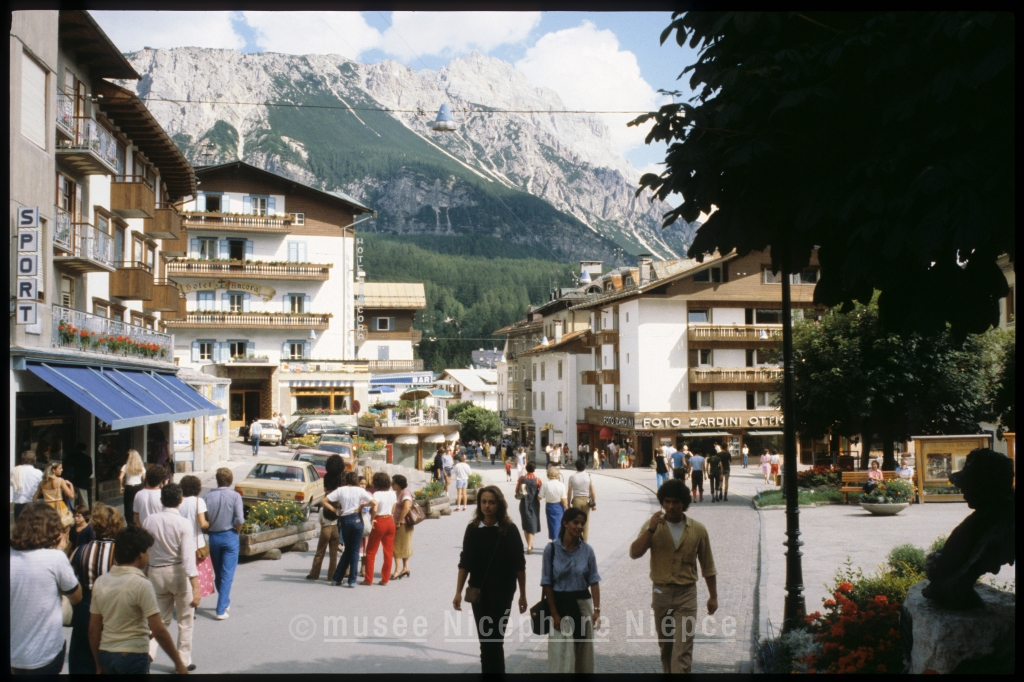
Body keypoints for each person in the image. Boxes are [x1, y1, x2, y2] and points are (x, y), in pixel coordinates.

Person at [629, 479, 718, 674]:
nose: (670, 506)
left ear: (683, 503)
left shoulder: (698, 530)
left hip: (686, 596)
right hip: (661, 594)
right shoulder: (653, 526)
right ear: (662, 502)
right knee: (667, 649)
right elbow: (634, 553)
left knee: (682, 651)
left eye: (675, 502)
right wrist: (650, 530)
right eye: (667, 501)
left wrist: (713, 596)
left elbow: (708, 566)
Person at [89, 525, 190, 675]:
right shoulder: (142, 584)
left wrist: (98, 664)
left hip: (107, 654)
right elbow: (159, 630)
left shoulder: (100, 582)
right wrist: (179, 663)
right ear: (141, 554)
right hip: (133, 655)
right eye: (148, 551)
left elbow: (93, 629)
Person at [453, 486, 528, 674]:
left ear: (499, 504)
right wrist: (458, 592)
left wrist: (523, 594)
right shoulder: (472, 529)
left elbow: (519, 565)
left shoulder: (509, 530)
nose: (487, 506)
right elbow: (465, 562)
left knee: (495, 639)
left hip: (503, 593)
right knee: (485, 640)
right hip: (479, 594)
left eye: (491, 502)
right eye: (484, 502)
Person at [10, 502, 83, 674]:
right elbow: (77, 596)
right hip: (46, 652)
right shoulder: (55, 558)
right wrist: (60, 550)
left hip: (14, 654)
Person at [143, 483, 201, 670]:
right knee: (185, 620)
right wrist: (196, 587)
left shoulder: (149, 521)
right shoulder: (183, 523)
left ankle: (148, 651)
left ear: (161, 500)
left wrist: (144, 570)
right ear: (180, 500)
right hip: (177, 572)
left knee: (160, 618)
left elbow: (145, 549)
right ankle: (182, 661)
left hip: (155, 571)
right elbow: (188, 557)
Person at [542, 507, 601, 673]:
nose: (579, 526)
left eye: (582, 523)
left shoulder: (587, 551)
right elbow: (547, 583)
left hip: (583, 605)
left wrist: (596, 609)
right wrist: (554, 613)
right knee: (561, 656)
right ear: (565, 523)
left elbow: (594, 581)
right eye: (576, 522)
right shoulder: (551, 550)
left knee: (583, 654)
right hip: (560, 605)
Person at [69, 503, 124, 674]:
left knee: (83, 661)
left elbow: (70, 581)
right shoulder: (122, 553)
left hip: (86, 608)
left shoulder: (81, 550)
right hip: (115, 610)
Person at [204, 467, 244, 620]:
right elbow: (239, 519)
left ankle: (224, 600)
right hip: (229, 534)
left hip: (214, 536)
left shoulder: (207, 497)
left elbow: (205, 519)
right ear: (230, 480)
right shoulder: (235, 496)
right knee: (228, 573)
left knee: (219, 573)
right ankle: (221, 608)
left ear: (217, 480)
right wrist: (237, 531)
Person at [324, 471, 375, 587]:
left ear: (346, 480)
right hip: (357, 518)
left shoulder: (341, 490)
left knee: (348, 549)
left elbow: (324, 501)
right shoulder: (360, 490)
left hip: (345, 518)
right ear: (356, 480)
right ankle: (352, 580)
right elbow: (374, 502)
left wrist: (335, 510)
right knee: (355, 549)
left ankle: (337, 578)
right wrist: (362, 506)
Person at [307, 455, 344, 581]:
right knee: (333, 554)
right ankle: (332, 574)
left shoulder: (327, 477)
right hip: (336, 522)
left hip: (326, 524)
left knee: (320, 551)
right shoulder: (342, 476)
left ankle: (314, 573)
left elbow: (325, 490)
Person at [364, 472, 397, 586]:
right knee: (388, 551)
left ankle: (368, 579)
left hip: (379, 520)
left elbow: (374, 508)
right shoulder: (392, 494)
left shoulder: (377, 494)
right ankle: (385, 578)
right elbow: (393, 509)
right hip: (389, 520)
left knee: (371, 551)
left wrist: (372, 518)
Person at [34, 460, 76, 527]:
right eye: (60, 468)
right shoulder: (60, 480)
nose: (62, 470)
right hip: (59, 506)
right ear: (53, 470)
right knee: (62, 527)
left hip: (47, 507)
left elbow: (34, 498)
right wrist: (71, 485)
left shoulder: (42, 483)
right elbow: (71, 495)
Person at [178, 475, 209, 560]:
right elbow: (203, 524)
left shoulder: (178, 501)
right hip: (196, 543)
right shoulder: (198, 501)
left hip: (181, 541)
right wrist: (209, 524)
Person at [391, 474, 415, 580]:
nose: (392, 485)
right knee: (403, 546)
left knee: (396, 547)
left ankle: (397, 570)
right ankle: (405, 568)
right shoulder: (398, 493)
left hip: (403, 524)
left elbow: (406, 508)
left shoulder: (405, 493)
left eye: (393, 483)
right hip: (399, 523)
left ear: (399, 484)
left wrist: (398, 521)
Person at [567, 459, 597, 542]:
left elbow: (569, 492)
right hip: (586, 501)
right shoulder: (589, 476)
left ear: (576, 467)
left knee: (576, 522)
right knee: (585, 522)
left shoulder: (572, 477)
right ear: (585, 466)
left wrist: (568, 504)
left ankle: (577, 540)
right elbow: (593, 491)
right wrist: (594, 503)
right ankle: (584, 542)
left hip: (576, 500)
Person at [517, 461, 543, 554]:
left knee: (526, 524)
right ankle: (529, 546)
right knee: (532, 524)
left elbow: (517, 490)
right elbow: (541, 494)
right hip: (534, 504)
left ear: (526, 468)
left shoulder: (521, 479)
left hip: (524, 503)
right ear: (534, 469)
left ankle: (529, 545)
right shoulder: (538, 480)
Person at [11, 450, 43, 520]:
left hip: (18, 503)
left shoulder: (15, 471)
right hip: (31, 503)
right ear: (34, 460)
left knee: (19, 525)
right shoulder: (38, 473)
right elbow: (42, 487)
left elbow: (11, 483)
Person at [541, 466, 569, 543]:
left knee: (552, 524)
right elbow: (563, 500)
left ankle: (554, 539)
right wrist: (567, 508)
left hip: (549, 506)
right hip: (559, 506)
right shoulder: (561, 485)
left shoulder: (545, 484)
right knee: (560, 523)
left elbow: (540, 497)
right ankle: (559, 539)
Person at [118, 450, 145, 526]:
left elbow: (120, 477)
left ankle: (130, 523)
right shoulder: (141, 467)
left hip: (129, 487)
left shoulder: (125, 466)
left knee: (128, 506)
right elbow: (144, 478)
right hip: (138, 487)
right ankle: (138, 522)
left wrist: (120, 486)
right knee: (138, 505)